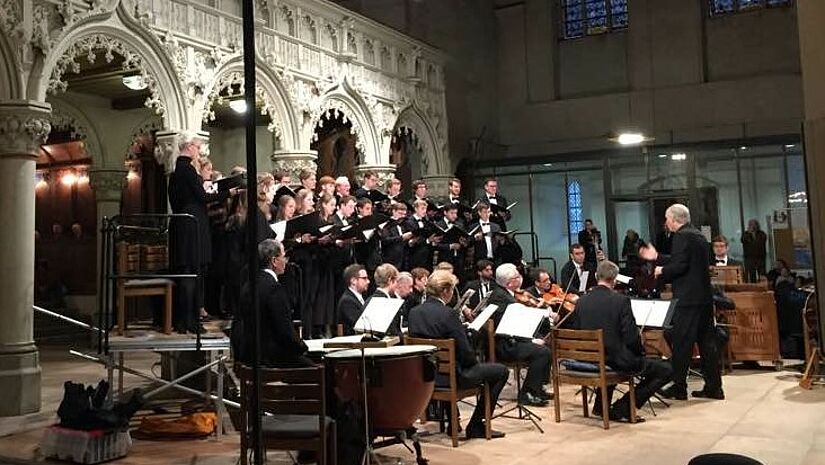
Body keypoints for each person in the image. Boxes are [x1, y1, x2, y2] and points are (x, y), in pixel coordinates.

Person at [407, 270, 508, 440]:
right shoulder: (448, 314)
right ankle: (477, 425)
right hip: (452, 377)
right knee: (500, 372)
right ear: (445, 291)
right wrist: (474, 360)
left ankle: (454, 422)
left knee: (449, 366)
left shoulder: (414, 312)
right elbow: (466, 354)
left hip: (426, 376)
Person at [568, 260, 672, 422]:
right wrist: (640, 352)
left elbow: (577, 329)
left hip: (588, 357)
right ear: (615, 279)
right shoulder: (620, 301)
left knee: (613, 353)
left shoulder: (582, 301)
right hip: (611, 359)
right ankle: (622, 409)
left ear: (596, 277)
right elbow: (631, 337)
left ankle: (600, 407)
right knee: (665, 369)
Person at [640, 203, 724, 400]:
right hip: (704, 298)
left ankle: (679, 387)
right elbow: (684, 259)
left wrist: (661, 270)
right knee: (707, 343)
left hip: (687, 299)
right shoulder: (698, 235)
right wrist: (658, 257)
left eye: (667, 219)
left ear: (675, 219)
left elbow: (680, 266)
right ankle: (714, 387)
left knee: (682, 343)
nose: (666, 223)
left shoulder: (681, 236)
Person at [168, 132, 237, 333]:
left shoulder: (175, 171)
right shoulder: (187, 170)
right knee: (192, 274)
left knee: (188, 274)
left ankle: (183, 321)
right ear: (189, 147)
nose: (199, 151)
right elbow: (202, 197)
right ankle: (190, 322)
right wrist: (227, 194)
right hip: (192, 228)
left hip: (183, 226)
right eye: (198, 147)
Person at [232, 239, 311, 367]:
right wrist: (302, 348)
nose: (286, 261)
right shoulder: (273, 288)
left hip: (249, 355)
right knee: (320, 369)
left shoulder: (248, 285)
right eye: (284, 256)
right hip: (271, 357)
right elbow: (284, 331)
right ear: (274, 261)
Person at [486, 263, 553, 406]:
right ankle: (527, 393)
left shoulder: (506, 293)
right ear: (510, 283)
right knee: (542, 352)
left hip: (514, 339)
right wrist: (531, 340)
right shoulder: (501, 297)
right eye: (517, 276)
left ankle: (538, 388)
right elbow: (511, 327)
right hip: (505, 344)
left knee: (546, 346)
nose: (521, 278)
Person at [336, 264, 370, 335]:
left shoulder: (359, 298)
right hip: (352, 342)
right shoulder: (347, 301)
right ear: (353, 281)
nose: (368, 281)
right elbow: (359, 325)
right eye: (364, 278)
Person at [380, 202, 413, 270]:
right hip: (391, 258)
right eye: (400, 213)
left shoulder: (404, 224)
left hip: (403, 258)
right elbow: (385, 240)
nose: (402, 216)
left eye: (404, 214)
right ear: (394, 211)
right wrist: (401, 237)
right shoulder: (387, 224)